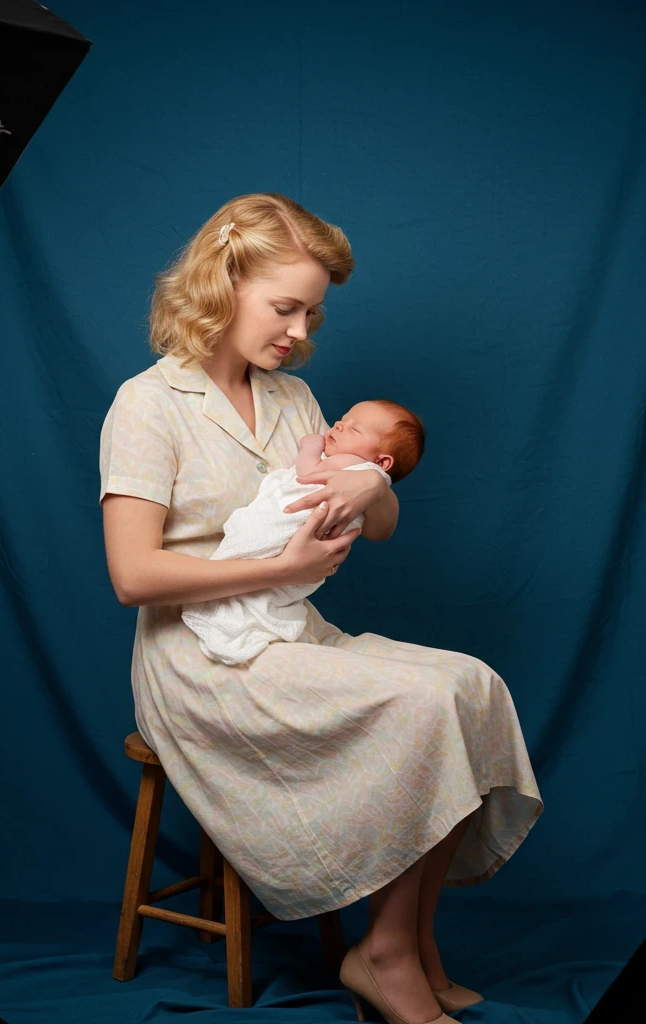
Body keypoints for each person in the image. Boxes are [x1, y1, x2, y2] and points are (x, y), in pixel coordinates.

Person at [99, 193, 543, 1024]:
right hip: (202, 661)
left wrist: (372, 484)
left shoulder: (295, 403)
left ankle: (406, 944)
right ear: (223, 286)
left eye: (312, 312)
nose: (301, 331)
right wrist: (285, 561)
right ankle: (385, 956)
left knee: (470, 686)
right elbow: (132, 575)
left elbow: (381, 525)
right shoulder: (147, 404)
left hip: (290, 631)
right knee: (418, 706)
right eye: (285, 308)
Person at [180, 400, 422, 666]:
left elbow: (307, 474)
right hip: (300, 559)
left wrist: (310, 446)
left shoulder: (352, 463)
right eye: (343, 419)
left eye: (354, 430)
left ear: (382, 462)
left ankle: (231, 614)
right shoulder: (352, 461)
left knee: (251, 566)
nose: (340, 425)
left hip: (292, 532)